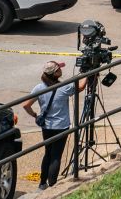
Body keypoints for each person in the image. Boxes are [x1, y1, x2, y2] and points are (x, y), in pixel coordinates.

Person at [22, 61, 86, 191]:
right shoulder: (64, 87)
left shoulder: (39, 88)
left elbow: (25, 105)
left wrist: (35, 115)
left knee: (48, 153)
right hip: (61, 126)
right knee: (56, 155)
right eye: (59, 69)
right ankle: (52, 184)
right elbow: (81, 87)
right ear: (55, 74)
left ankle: (42, 183)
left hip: (46, 126)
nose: (61, 70)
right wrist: (87, 74)